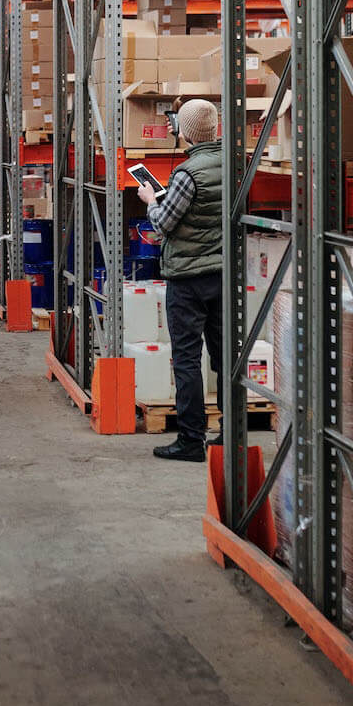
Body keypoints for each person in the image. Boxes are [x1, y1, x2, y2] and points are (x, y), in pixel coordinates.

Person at [146, 97, 223, 463]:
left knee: (188, 359)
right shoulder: (232, 164)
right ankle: (231, 433)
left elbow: (163, 224)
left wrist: (151, 200)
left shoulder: (187, 174)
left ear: (183, 131)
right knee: (226, 358)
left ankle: (191, 440)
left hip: (188, 279)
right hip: (222, 275)